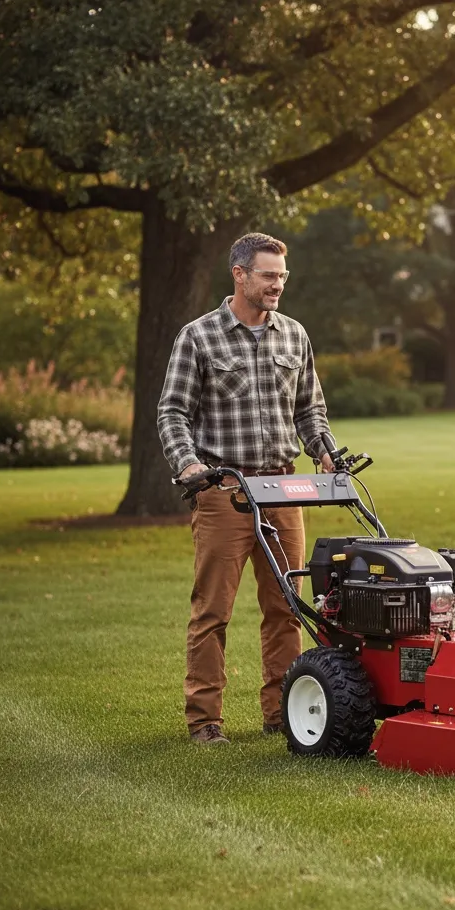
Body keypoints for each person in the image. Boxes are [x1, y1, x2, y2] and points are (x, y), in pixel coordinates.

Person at [157, 232, 336, 745]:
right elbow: (172, 412)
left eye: (282, 275)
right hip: (224, 490)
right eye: (268, 275)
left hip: (284, 488)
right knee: (213, 610)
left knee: (286, 607)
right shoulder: (199, 336)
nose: (278, 284)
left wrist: (323, 449)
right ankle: (205, 720)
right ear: (239, 275)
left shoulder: (293, 335)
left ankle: (283, 712)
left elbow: (309, 410)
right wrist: (188, 465)